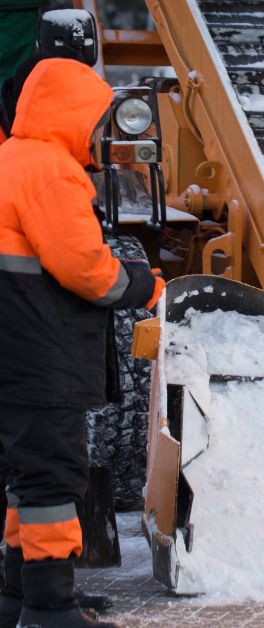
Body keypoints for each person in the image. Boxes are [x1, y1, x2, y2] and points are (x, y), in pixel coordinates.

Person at [0, 57, 164, 628]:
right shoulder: (50, 169)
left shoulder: (13, 158)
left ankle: (20, 595)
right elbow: (83, 269)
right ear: (70, 114)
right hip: (40, 348)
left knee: (30, 475)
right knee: (52, 477)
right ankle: (50, 608)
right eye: (95, 119)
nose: (100, 132)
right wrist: (146, 288)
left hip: (17, 349)